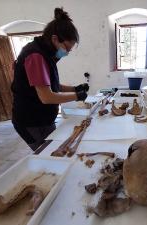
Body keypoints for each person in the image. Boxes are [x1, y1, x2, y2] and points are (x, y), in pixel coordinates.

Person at [11, 8, 89, 151]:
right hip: (31, 121)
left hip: (44, 118)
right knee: (49, 154)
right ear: (54, 39)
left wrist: (74, 88)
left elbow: (51, 85)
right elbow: (47, 96)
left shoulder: (48, 54)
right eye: (67, 48)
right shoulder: (35, 56)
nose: (67, 52)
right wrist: (77, 96)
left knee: (57, 148)